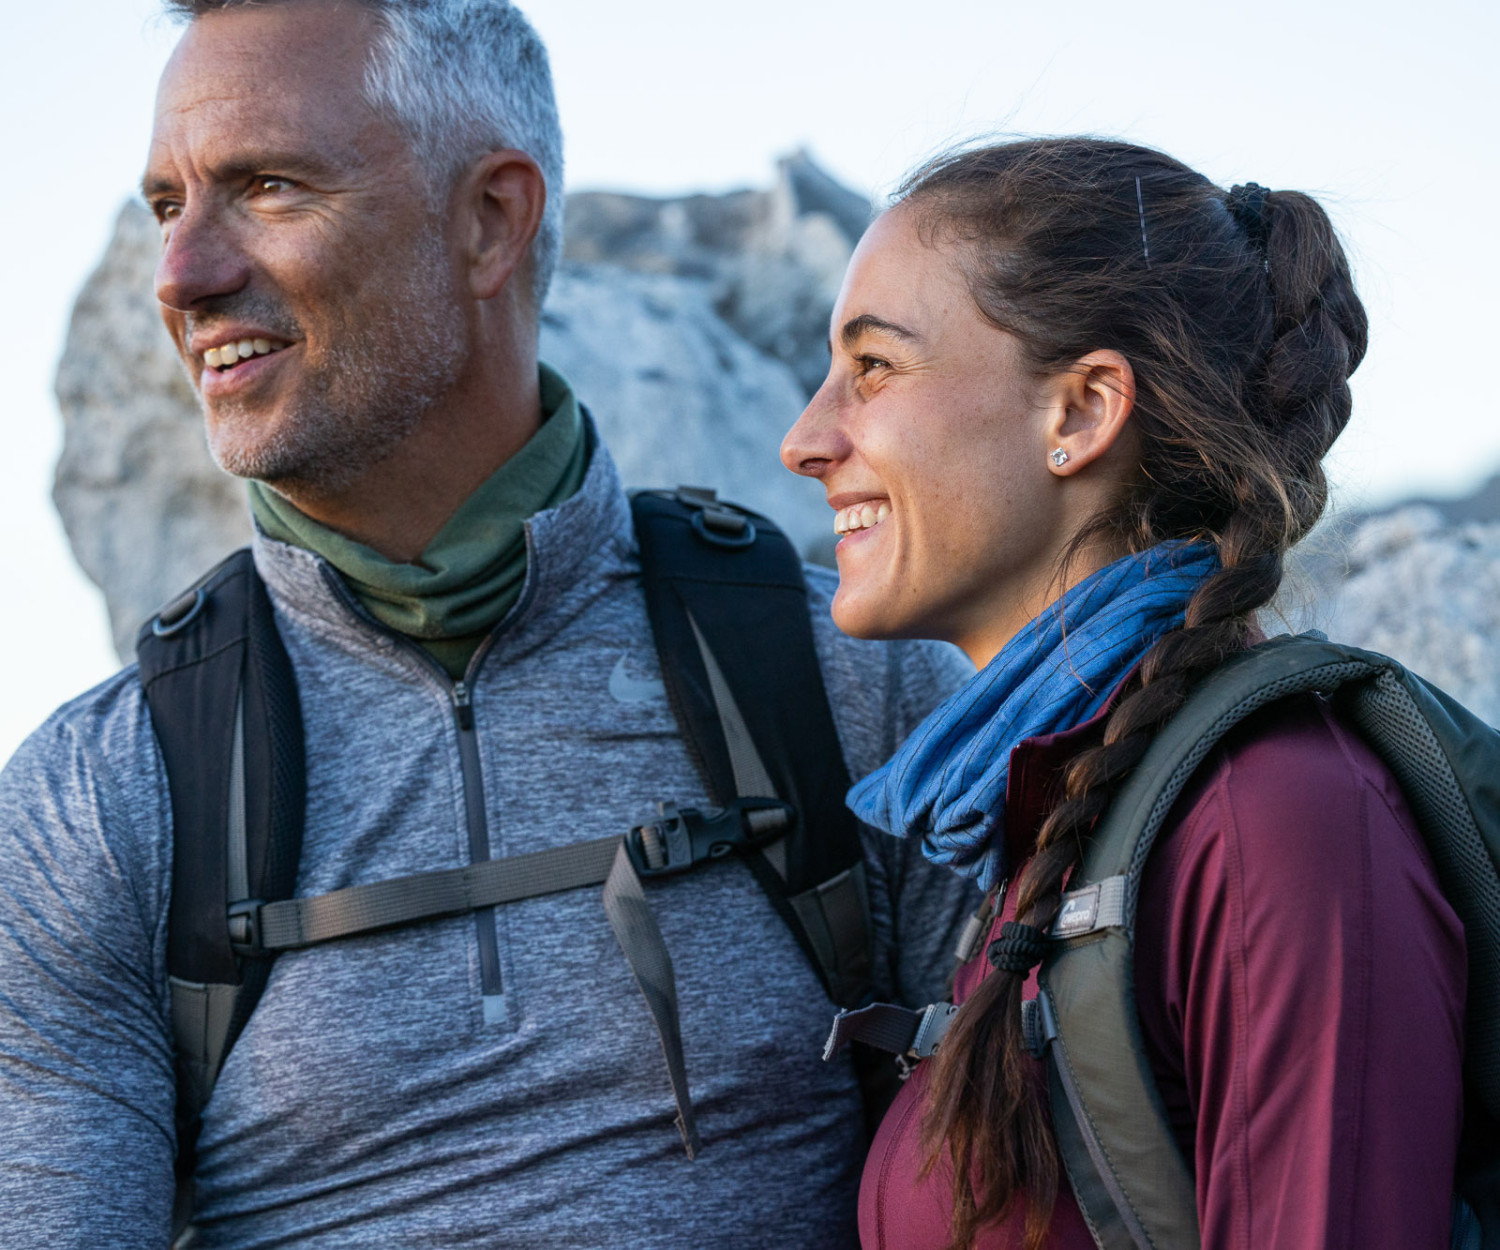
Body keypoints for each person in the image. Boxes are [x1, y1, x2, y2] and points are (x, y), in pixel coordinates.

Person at [0, 2, 979, 1246]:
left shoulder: (847, 687)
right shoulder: (98, 798)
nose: (183, 274)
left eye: (267, 187)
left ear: (490, 220)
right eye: (166, 204)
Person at [781, 138, 1467, 1249]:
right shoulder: (1057, 807)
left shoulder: (1272, 818)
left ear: (1082, 412)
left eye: (874, 366)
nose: (806, 438)